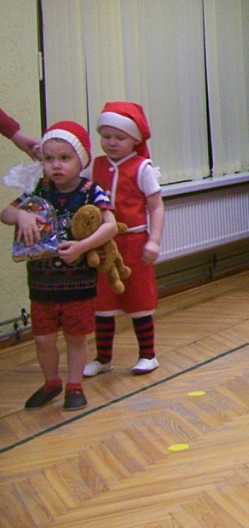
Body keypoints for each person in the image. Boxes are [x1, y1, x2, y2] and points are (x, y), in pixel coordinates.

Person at [3, 122, 117, 411]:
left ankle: (74, 386)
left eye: (65, 158)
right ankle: (51, 383)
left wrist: (82, 246)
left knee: (76, 338)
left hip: (78, 283)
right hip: (41, 282)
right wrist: (21, 216)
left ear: (82, 160)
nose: (56, 165)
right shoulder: (39, 189)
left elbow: (111, 226)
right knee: (43, 338)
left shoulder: (91, 191)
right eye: (49, 158)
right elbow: (6, 213)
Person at [84, 102, 166, 377]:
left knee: (138, 298)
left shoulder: (142, 167)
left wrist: (153, 241)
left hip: (134, 242)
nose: (111, 142)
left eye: (119, 137)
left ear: (134, 139)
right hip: (102, 245)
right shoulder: (94, 166)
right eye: (106, 136)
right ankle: (103, 358)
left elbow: (156, 207)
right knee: (103, 302)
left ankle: (148, 355)